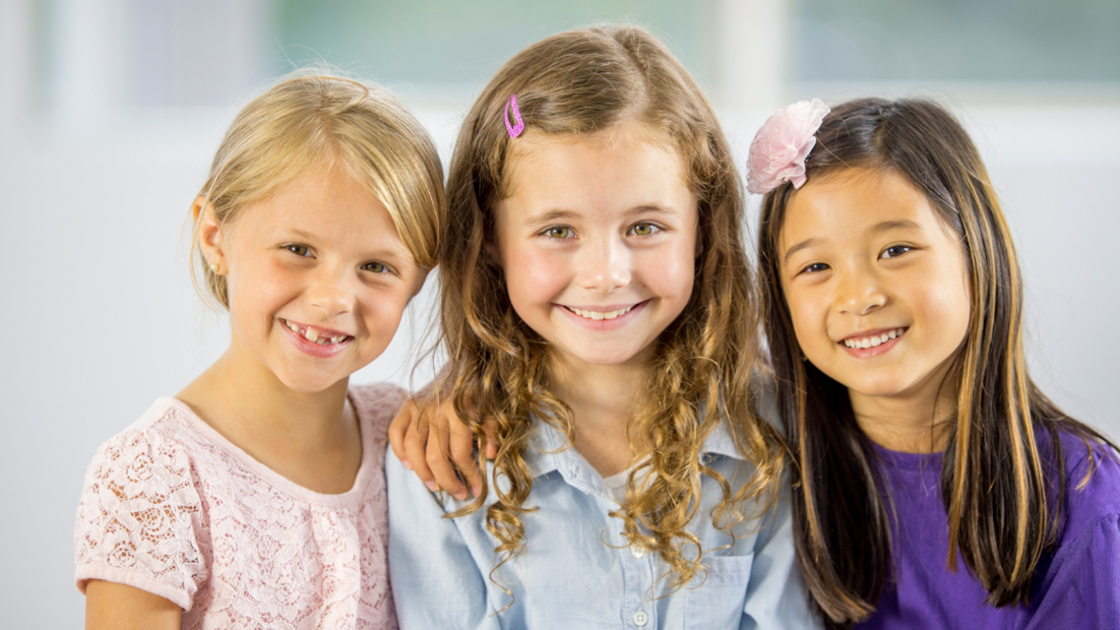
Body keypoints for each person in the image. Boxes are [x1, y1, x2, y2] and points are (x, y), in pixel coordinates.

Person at [385, 25, 818, 630]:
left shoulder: (772, 433)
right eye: (558, 230)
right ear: (489, 239)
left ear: (704, 229)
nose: (606, 275)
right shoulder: (443, 464)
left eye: (645, 227)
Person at [73, 72, 444, 629]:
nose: (333, 299)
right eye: (298, 249)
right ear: (215, 237)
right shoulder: (155, 475)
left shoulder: (405, 434)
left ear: (418, 280)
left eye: (377, 267)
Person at [750, 97, 1120, 628]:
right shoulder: (770, 470)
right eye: (815, 266)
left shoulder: (1083, 495)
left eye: (896, 250)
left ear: (977, 251)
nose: (858, 297)